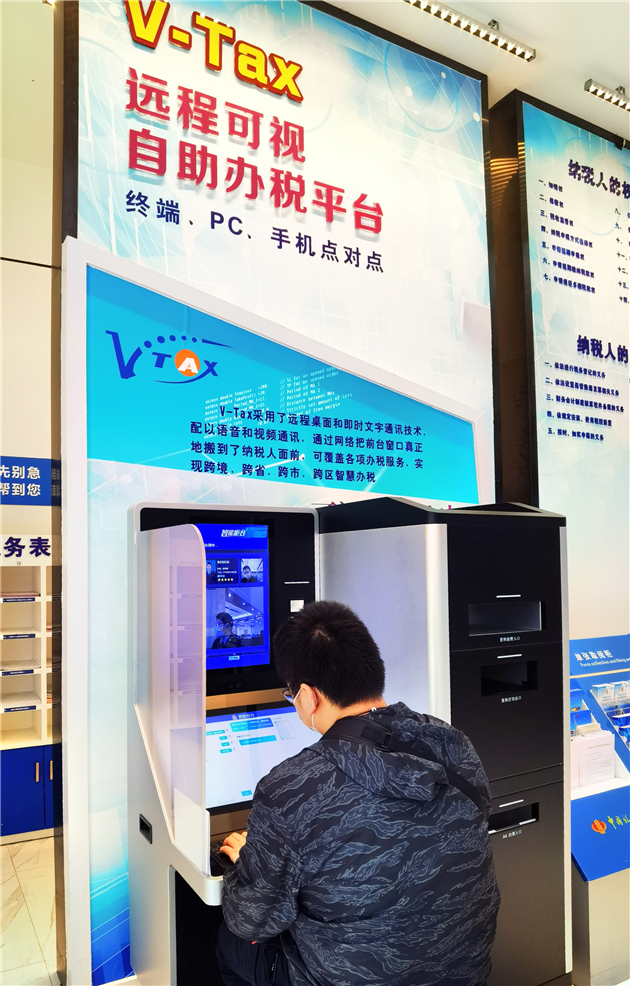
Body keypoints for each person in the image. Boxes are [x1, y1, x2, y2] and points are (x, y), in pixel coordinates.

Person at [216, 600, 500, 986]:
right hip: (463, 972)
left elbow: (252, 919)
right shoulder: (452, 745)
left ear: (308, 696)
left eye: (290, 695)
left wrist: (246, 864)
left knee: (231, 941)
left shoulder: (289, 788)